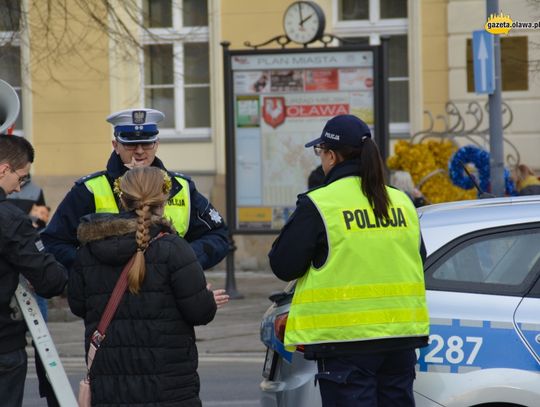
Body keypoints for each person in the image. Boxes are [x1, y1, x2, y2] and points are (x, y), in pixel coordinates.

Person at [268, 115, 429, 407]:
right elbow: (419, 259)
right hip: (400, 339)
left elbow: (283, 265)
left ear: (330, 155)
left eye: (320, 153)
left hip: (345, 343)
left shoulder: (321, 203)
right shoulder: (402, 202)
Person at [68, 166, 226, 406]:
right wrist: (206, 299)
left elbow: (78, 305)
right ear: (163, 200)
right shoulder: (174, 248)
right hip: (169, 386)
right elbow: (199, 312)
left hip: (110, 384)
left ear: (122, 199)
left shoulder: (89, 250)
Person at [42, 108, 229, 272]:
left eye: (147, 143)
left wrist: (182, 260)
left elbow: (218, 236)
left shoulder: (181, 187)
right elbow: (54, 241)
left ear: (157, 144)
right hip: (110, 295)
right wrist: (93, 269)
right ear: (115, 145)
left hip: (169, 294)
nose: (139, 151)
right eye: (130, 144)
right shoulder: (89, 189)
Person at [0, 134, 67, 407]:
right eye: (21, 177)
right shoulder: (9, 218)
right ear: (4, 169)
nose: (19, 188)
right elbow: (49, 278)